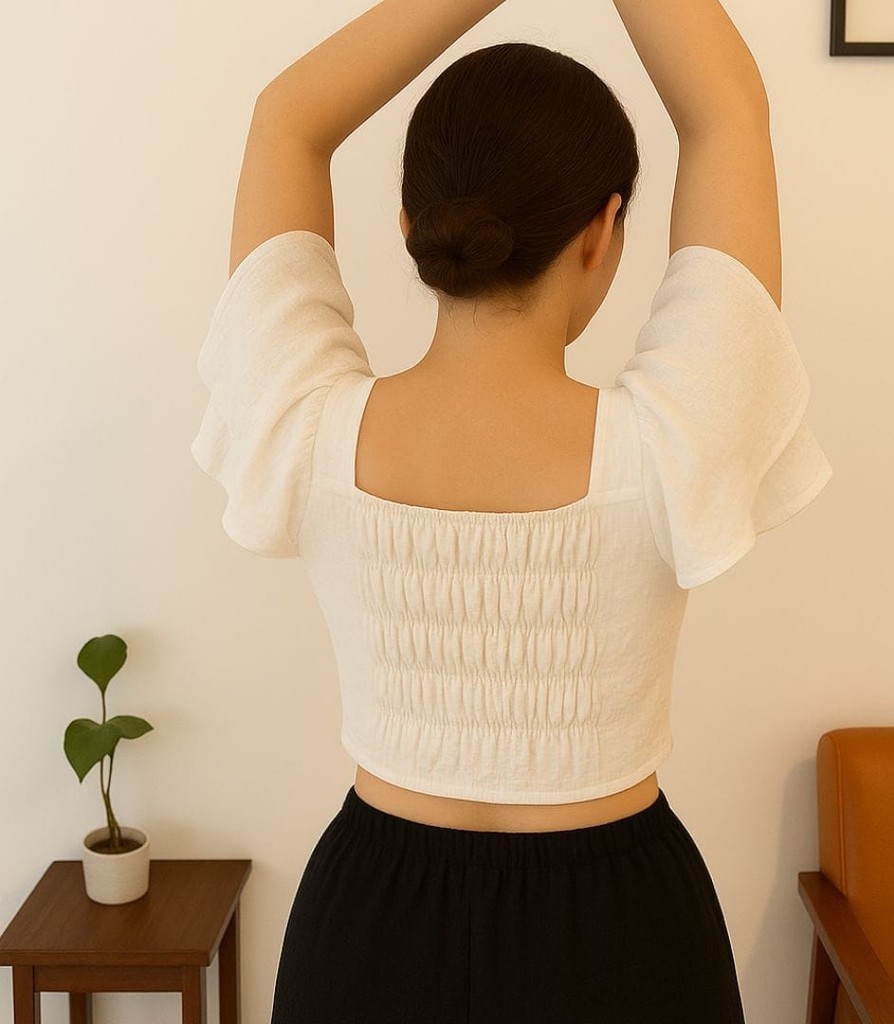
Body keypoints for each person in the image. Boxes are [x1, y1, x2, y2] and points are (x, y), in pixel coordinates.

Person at [191, 0, 833, 1020]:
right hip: (627, 935)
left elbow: (287, 119)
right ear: (602, 231)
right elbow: (726, 113)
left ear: (409, 225)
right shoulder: (672, 443)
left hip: (366, 930)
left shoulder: (305, 426)